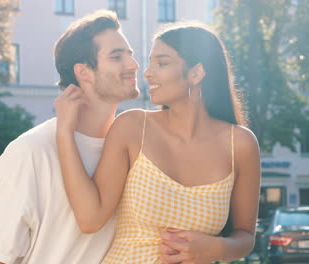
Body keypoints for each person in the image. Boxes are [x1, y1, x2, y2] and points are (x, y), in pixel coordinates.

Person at [54, 21, 261, 263]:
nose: (147, 72)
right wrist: (64, 132)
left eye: (162, 63)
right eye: (151, 62)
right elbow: (90, 219)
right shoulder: (132, 127)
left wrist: (216, 248)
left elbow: (245, 236)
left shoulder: (241, 145)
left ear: (196, 73)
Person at [0, 10, 141, 264]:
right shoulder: (30, 151)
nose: (133, 65)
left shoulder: (134, 146)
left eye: (130, 55)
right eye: (117, 56)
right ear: (84, 72)